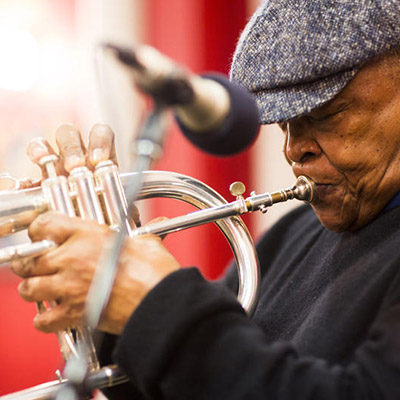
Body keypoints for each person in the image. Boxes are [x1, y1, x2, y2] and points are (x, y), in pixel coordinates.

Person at [9, 0, 400, 398]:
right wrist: (107, 305)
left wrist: (156, 302)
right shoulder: (292, 232)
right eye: (285, 123)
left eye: (326, 114)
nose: (294, 150)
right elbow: (196, 386)